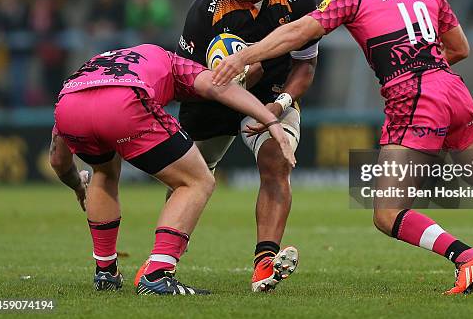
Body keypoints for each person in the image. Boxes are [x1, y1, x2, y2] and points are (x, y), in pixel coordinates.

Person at [213, 0, 473, 295]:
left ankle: (466, 256)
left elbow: (298, 32)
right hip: (453, 89)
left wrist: (245, 55)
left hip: (415, 97)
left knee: (387, 213)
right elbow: (460, 48)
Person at [49, 43, 295, 295]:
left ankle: (105, 271)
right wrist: (271, 121)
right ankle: (158, 272)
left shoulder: (100, 60)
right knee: (197, 181)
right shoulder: (174, 62)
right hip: (124, 102)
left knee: (104, 172)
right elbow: (218, 86)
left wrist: (79, 187)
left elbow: (58, 160)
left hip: (69, 105)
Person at [175, 0, 318, 292]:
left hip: (273, 93)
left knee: (276, 161)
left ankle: (264, 263)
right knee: (187, 179)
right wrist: (230, 83)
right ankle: (163, 261)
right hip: (212, 97)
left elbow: (305, 65)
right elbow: (185, 76)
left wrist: (281, 103)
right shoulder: (203, 9)